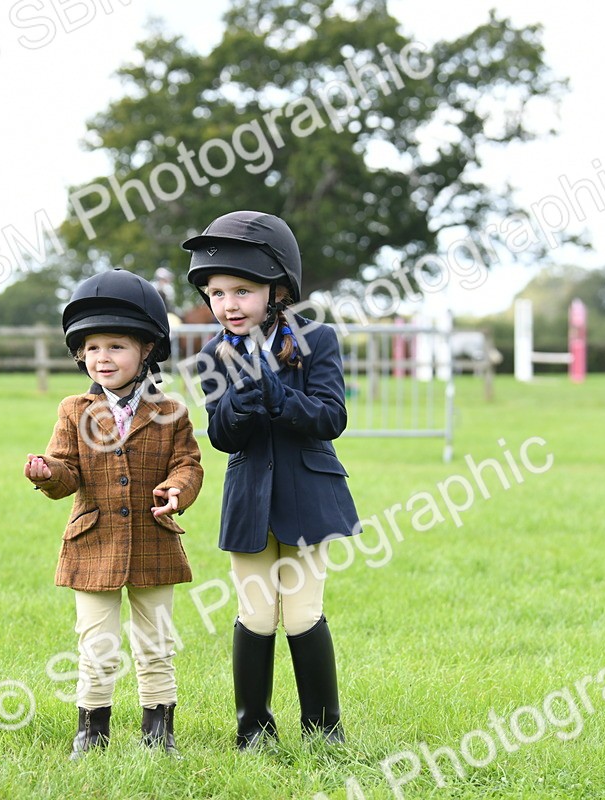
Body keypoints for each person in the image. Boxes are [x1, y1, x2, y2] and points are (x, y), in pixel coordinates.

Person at [182, 210, 360, 748]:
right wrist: (236, 406)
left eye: (241, 290)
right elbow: (222, 436)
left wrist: (283, 400)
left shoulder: (317, 338)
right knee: (255, 613)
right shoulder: (212, 355)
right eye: (216, 293)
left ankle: (323, 732)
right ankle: (252, 729)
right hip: (248, 499)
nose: (228, 305)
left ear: (276, 288)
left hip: (310, 491)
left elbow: (332, 417)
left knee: (303, 611)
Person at [24, 269, 203, 759]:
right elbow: (67, 474)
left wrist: (176, 490)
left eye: (117, 347)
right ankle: (91, 731)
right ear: (80, 353)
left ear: (146, 351)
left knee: (156, 643)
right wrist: (46, 473)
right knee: (96, 644)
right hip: (93, 542)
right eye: (94, 347)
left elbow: (188, 463)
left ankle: (158, 733)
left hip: (153, 538)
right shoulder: (72, 409)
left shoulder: (171, 411)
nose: (103, 358)